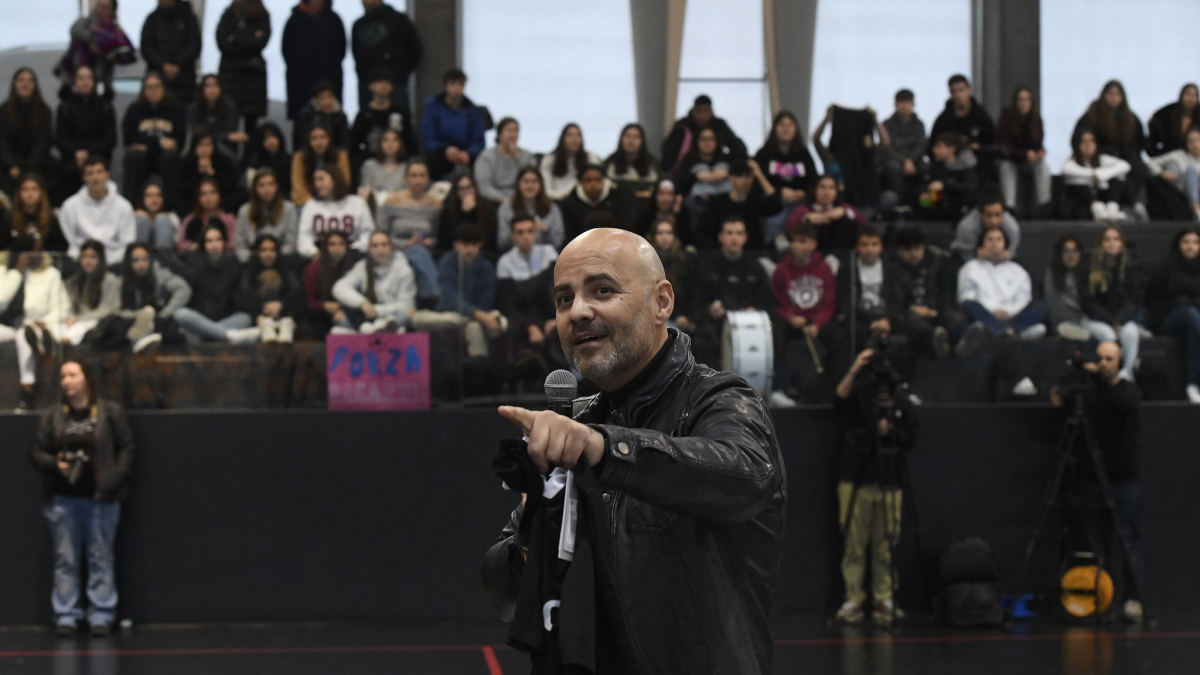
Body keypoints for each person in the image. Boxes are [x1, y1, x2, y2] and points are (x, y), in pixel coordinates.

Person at [482, 227, 784, 674]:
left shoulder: (720, 401)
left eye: (602, 290)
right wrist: (532, 529)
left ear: (662, 302)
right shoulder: (580, 424)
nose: (578, 311)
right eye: (564, 299)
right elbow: (504, 594)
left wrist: (608, 449)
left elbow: (746, 475)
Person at [31, 360, 134, 637]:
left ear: (86, 378)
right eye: (63, 376)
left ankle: (101, 614)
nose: (66, 381)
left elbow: (126, 448)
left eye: (72, 375)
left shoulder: (109, 412)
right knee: (66, 559)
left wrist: (114, 477)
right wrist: (57, 465)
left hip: (101, 498)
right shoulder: (53, 415)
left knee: (100, 556)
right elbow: (37, 452)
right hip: (63, 500)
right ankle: (67, 615)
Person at [1049, 340, 1144, 622]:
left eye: (1110, 359)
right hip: (1094, 480)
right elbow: (1070, 408)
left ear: (1119, 363)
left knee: (1128, 541)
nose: (1104, 363)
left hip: (1124, 480)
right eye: (1100, 358)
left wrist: (1098, 378)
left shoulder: (1127, 390)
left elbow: (1121, 403)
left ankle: (1133, 599)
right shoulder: (1090, 393)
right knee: (1098, 543)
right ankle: (1106, 597)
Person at [833, 347, 917, 626]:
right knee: (854, 544)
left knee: (886, 544)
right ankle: (853, 599)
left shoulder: (899, 397)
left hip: (890, 480)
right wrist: (856, 367)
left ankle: (884, 599)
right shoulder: (860, 390)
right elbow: (839, 399)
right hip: (856, 477)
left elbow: (912, 435)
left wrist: (891, 430)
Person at [690, 216, 774, 367]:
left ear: (745, 237)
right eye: (729, 233)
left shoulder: (755, 267)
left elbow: (767, 299)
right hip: (715, 324)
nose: (734, 238)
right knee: (702, 335)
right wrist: (710, 308)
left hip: (749, 324)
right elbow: (697, 298)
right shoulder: (707, 265)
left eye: (739, 233)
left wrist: (755, 310)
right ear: (721, 237)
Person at [0, 235, 69, 410]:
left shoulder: (51, 273)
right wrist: (17, 272)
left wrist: (44, 322)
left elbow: (61, 305)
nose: (37, 255)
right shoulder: (4, 270)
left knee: (25, 336)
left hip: (39, 324)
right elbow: (1, 302)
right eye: (33, 251)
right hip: (8, 325)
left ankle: (27, 389)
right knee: (23, 333)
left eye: (40, 250)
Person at [771, 220, 835, 406]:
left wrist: (817, 324)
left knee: (839, 337)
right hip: (793, 322)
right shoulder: (782, 270)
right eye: (794, 241)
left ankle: (836, 388)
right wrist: (790, 317)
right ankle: (781, 389)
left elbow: (829, 303)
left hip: (817, 322)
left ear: (813, 244)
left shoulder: (824, 269)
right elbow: (778, 303)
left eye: (802, 241)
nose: (796, 245)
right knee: (778, 333)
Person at [956, 228, 1048, 352]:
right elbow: (965, 296)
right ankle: (1011, 332)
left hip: (1013, 315)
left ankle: (1005, 330)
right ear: (982, 244)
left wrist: (1008, 312)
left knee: (1042, 307)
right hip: (986, 314)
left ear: (1005, 244)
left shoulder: (1017, 269)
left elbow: (1024, 299)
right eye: (990, 239)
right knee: (968, 305)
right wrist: (993, 311)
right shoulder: (970, 268)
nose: (994, 243)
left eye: (999, 239)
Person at [92, 242, 191, 353]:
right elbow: (115, 308)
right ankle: (142, 335)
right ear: (129, 261)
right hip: (129, 318)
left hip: (156, 318)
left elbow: (183, 290)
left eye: (145, 259)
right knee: (112, 330)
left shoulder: (159, 274)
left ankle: (143, 335)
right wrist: (139, 315)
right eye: (136, 260)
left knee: (172, 332)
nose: (141, 264)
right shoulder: (120, 279)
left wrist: (165, 314)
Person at [174, 224, 260, 343]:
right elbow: (190, 298)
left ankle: (211, 334)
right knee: (181, 314)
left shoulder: (234, 264)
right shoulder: (194, 264)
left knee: (245, 318)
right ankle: (228, 336)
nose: (214, 245)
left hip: (225, 319)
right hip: (200, 319)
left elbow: (241, 298)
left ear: (224, 242)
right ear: (203, 245)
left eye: (218, 240)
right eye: (209, 241)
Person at [1072, 81, 1148, 214]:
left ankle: (1130, 204)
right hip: (1100, 155)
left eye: (1118, 94)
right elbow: (1079, 137)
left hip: (1125, 157)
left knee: (1138, 166)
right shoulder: (1093, 114)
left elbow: (1138, 143)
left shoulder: (1130, 117)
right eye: (1110, 94)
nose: (1114, 98)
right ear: (1104, 95)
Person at [376, 159, 443, 304]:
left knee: (420, 253)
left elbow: (438, 236)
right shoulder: (392, 201)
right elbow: (381, 234)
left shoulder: (435, 205)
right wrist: (404, 244)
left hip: (425, 250)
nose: (418, 180)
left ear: (428, 178)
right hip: (395, 249)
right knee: (418, 253)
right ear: (406, 178)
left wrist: (430, 242)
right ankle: (434, 295)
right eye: (413, 176)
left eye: (422, 176)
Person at [1145, 227, 1200, 403]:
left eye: (1195, 242)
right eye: (1186, 242)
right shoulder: (1165, 268)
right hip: (1169, 320)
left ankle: (1192, 384)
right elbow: (1154, 301)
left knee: (1193, 331)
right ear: (1178, 244)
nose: (1190, 246)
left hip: (1195, 325)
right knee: (1189, 314)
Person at [885, 226, 957, 360]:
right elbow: (891, 299)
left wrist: (936, 310)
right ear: (899, 250)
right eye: (907, 249)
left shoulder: (937, 264)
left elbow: (945, 293)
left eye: (917, 248)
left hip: (934, 311)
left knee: (954, 318)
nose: (913, 253)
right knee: (915, 323)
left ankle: (962, 346)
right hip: (905, 316)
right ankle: (935, 339)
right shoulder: (890, 269)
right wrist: (911, 308)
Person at [435, 225, 503, 358]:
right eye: (465, 244)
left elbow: (487, 299)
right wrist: (477, 314)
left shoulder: (486, 267)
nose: (470, 249)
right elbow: (451, 298)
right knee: (418, 319)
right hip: (450, 315)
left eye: (474, 244)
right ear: (456, 245)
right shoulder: (446, 263)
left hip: (475, 318)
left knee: (476, 328)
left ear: (480, 246)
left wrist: (478, 315)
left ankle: (479, 373)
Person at [121, 72, 186, 211]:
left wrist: (146, 143)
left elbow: (179, 141)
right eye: (149, 87)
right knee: (134, 157)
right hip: (141, 158)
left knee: (171, 158)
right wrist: (158, 144)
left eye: (157, 87)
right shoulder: (134, 110)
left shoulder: (176, 109)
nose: (153, 91)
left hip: (166, 158)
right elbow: (128, 140)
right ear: (143, 90)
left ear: (164, 88)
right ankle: (131, 208)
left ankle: (171, 210)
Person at [1085, 226, 1143, 382]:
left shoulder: (1130, 266)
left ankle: (1127, 373)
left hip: (1122, 318)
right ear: (1100, 243)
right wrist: (1111, 321)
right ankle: (1106, 375)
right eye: (1107, 239)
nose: (1112, 243)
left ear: (1122, 243)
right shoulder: (1090, 266)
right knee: (1108, 335)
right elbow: (1088, 302)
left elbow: (1135, 299)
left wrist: (1119, 320)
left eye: (1116, 239)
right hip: (1096, 319)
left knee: (1131, 333)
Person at [331, 229, 416, 333]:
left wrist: (377, 311)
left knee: (407, 314)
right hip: (368, 315)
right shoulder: (363, 266)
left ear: (392, 247)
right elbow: (339, 287)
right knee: (341, 315)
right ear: (369, 249)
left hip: (392, 315)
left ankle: (364, 331)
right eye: (375, 246)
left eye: (384, 245)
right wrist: (362, 303)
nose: (380, 250)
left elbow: (406, 305)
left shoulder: (404, 270)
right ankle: (372, 330)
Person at [755, 111, 818, 244]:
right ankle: (773, 248)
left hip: (800, 200)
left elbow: (813, 180)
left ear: (795, 129)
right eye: (782, 125)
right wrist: (781, 191)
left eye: (790, 125)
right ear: (774, 129)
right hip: (774, 201)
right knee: (775, 218)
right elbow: (758, 182)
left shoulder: (804, 154)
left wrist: (803, 192)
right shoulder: (764, 154)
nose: (786, 129)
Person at [59, 156, 136, 264]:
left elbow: (127, 242)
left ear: (107, 174)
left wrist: (109, 261)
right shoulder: (70, 206)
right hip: (81, 261)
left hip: (116, 261)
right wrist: (87, 259)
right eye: (90, 173)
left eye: (99, 172)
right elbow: (71, 240)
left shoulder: (124, 206)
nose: (95, 177)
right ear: (84, 178)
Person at [56, 66, 117, 201]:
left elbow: (110, 139)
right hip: (72, 157)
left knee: (96, 170)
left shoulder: (106, 107)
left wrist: (89, 153)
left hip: (99, 155)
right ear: (74, 82)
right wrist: (76, 152)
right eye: (81, 78)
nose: (85, 82)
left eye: (89, 78)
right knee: (67, 171)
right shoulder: (65, 107)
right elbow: (61, 138)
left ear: (95, 81)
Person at [351, 0, 422, 113]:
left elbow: (415, 50)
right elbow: (356, 54)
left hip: (396, 86)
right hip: (368, 87)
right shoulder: (359, 24)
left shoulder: (399, 20)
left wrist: (400, 73)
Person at [281, 0, 346, 121]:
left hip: (329, 80)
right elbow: (286, 51)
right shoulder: (295, 21)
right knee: (302, 122)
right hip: (300, 84)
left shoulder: (334, 20)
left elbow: (341, 49)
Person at [698, 159, 781, 251]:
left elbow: (776, 205)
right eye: (740, 176)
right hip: (721, 255)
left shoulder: (755, 201)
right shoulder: (716, 202)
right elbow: (705, 232)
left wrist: (759, 175)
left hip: (752, 253)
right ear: (730, 178)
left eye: (749, 177)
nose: (745, 181)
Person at [57, 0, 137, 97]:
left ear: (112, 10)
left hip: (102, 77)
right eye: (99, 6)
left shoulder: (115, 31)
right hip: (74, 72)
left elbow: (125, 51)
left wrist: (108, 52)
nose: (101, 10)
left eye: (106, 7)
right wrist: (93, 40)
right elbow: (75, 30)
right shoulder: (85, 22)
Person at [216, 0, 272, 137]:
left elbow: (261, 41)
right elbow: (221, 40)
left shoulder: (262, 15)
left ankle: (250, 157)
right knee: (229, 121)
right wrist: (248, 39)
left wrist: (236, 38)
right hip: (231, 75)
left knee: (251, 126)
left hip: (253, 76)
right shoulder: (229, 14)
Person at [421, 68, 486, 180]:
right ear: (445, 86)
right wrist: (445, 149)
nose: (456, 88)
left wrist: (469, 153)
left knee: (480, 160)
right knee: (432, 158)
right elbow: (428, 138)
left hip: (465, 154)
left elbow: (479, 140)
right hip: (441, 154)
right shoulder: (433, 107)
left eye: (460, 84)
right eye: (452, 84)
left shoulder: (472, 110)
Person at [296, 167, 374, 257]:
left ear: (335, 180)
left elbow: (368, 233)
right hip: (319, 256)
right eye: (315, 180)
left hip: (353, 254)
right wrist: (314, 253)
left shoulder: (357, 202)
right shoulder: (311, 205)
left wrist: (352, 250)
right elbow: (304, 237)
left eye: (321, 179)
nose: (317, 184)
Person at [784, 174, 868, 258]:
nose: (827, 192)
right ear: (814, 190)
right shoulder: (803, 210)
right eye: (822, 187)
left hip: (841, 255)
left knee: (845, 221)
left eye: (832, 188)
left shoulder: (844, 207)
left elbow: (864, 225)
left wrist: (845, 212)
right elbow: (789, 230)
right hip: (812, 256)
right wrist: (806, 219)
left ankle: (835, 259)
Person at [237, 234, 302, 342]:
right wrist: (262, 308)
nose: (268, 254)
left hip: (284, 315)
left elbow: (296, 295)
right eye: (263, 250)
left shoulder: (286, 270)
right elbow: (243, 298)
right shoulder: (248, 271)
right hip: (257, 317)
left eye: (272, 250)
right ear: (257, 252)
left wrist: (281, 305)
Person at [0, 69, 55, 196]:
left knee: (55, 167)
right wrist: (11, 165)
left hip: (37, 160)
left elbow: (46, 140)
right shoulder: (3, 110)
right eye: (21, 80)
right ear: (14, 84)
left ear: (35, 85)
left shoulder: (44, 110)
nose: (25, 84)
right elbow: (1, 142)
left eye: (30, 81)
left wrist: (31, 165)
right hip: (10, 160)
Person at [996, 86, 1050, 214]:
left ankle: (1044, 206)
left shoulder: (1035, 119)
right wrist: (1025, 154)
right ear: (1015, 102)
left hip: (1029, 161)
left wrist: (1040, 152)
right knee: (1006, 167)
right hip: (1011, 159)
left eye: (1027, 100)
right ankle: (1010, 207)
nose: (1024, 103)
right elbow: (1004, 145)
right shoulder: (1007, 117)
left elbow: (1038, 142)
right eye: (1020, 100)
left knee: (1043, 165)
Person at [661, 94, 748, 172]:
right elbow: (669, 152)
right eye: (699, 111)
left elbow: (738, 149)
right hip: (688, 166)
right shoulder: (682, 126)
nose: (702, 115)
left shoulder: (719, 125)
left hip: (716, 167)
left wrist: (726, 163)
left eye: (705, 111)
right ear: (693, 111)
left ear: (711, 112)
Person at [351, 69, 417, 171]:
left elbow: (410, 141)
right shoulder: (363, 115)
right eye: (379, 82)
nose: (383, 86)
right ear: (371, 86)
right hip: (371, 160)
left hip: (398, 160)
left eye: (387, 82)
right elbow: (353, 144)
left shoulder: (400, 113)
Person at [1061, 129, 1133, 221]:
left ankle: (1112, 207)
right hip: (1083, 203)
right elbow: (1067, 170)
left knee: (1120, 178)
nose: (1088, 145)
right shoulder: (1071, 162)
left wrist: (1102, 175)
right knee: (1078, 182)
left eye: (1092, 141)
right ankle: (1096, 207)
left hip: (1103, 197)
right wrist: (1094, 176)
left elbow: (1125, 166)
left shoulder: (1103, 159)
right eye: (1084, 141)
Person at [139, 0, 202, 104]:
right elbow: (146, 47)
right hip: (158, 76)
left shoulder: (189, 18)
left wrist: (178, 64)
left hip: (185, 81)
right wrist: (162, 65)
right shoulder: (152, 19)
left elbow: (195, 45)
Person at [61, 240, 122, 348]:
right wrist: (70, 318)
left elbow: (109, 309)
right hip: (75, 320)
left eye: (93, 257)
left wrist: (80, 319)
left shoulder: (110, 280)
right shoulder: (73, 282)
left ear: (101, 259)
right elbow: (67, 305)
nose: (88, 261)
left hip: (99, 322)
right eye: (85, 257)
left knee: (77, 331)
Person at [878, 89, 927, 210]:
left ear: (913, 104)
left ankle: (923, 202)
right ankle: (898, 203)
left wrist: (911, 160)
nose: (904, 106)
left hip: (915, 160)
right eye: (901, 103)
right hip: (895, 161)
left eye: (907, 102)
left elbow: (922, 145)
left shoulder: (918, 124)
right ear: (895, 105)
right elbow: (887, 148)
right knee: (892, 168)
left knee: (927, 167)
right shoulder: (888, 124)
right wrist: (904, 161)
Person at [497, 166, 565, 251]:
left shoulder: (552, 208)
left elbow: (558, 243)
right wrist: (518, 234)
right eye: (525, 181)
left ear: (541, 185)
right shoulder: (506, 208)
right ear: (518, 184)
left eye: (534, 181)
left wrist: (545, 231)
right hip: (514, 256)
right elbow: (502, 243)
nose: (530, 186)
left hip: (545, 256)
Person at [302, 230, 355, 336]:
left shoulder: (354, 267)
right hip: (319, 318)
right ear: (325, 247)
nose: (337, 248)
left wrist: (343, 310)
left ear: (346, 247)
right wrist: (324, 306)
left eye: (341, 244)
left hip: (347, 314)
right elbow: (307, 303)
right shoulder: (313, 269)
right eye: (332, 244)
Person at [236, 168, 299, 259]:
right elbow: (241, 246)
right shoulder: (245, 211)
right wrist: (252, 260)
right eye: (262, 185)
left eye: (271, 184)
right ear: (255, 188)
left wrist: (273, 259)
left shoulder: (289, 209)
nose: (267, 189)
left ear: (277, 186)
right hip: (252, 263)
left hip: (281, 262)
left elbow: (290, 244)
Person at [1044, 236, 1097, 341]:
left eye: (1074, 251)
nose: (1070, 255)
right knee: (1063, 328)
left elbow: (1091, 302)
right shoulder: (1052, 274)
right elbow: (1053, 302)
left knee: (1104, 332)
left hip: (1085, 320)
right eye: (1066, 251)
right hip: (1063, 321)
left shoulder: (1087, 272)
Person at [647, 218, 695, 332]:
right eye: (660, 233)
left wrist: (685, 316)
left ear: (674, 236)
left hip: (682, 315)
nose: (665, 237)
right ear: (653, 236)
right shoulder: (646, 262)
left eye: (669, 233)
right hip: (654, 315)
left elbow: (689, 293)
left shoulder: (684, 261)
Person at [560, 164, 629, 243]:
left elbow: (625, 229)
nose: (593, 184)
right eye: (588, 180)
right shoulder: (570, 203)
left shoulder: (618, 199)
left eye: (598, 180)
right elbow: (568, 234)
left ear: (604, 181)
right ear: (581, 182)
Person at [928, 74, 995, 155]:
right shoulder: (943, 120)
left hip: (978, 162)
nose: (958, 95)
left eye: (961, 90)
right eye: (954, 91)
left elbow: (992, 142)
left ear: (969, 90)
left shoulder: (981, 117)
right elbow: (932, 145)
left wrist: (979, 148)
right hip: (949, 164)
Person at [180, 129, 244, 211]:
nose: (204, 149)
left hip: (222, 202)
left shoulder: (224, 161)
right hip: (194, 204)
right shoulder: (187, 163)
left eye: (207, 145)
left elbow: (231, 186)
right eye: (200, 145)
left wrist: (212, 173)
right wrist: (199, 173)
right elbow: (183, 190)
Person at [674, 127, 731, 220]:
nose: (707, 143)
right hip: (697, 205)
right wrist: (696, 176)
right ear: (697, 141)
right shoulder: (689, 160)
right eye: (703, 139)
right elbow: (681, 185)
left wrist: (722, 175)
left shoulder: (726, 159)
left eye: (711, 139)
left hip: (723, 203)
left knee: (722, 166)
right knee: (700, 168)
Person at [918, 132, 978, 220]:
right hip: (938, 204)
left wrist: (945, 185)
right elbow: (926, 183)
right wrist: (923, 193)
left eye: (939, 147)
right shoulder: (936, 166)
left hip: (957, 206)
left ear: (951, 149)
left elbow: (971, 187)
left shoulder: (966, 167)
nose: (935, 150)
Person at [437, 170, 498, 253]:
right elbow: (446, 241)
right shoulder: (448, 211)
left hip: (482, 253)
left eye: (469, 187)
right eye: (461, 189)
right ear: (456, 192)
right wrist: (464, 214)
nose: (466, 192)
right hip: (454, 253)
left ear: (475, 188)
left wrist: (471, 212)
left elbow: (490, 240)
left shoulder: (488, 209)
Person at [291, 123, 351, 206]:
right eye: (314, 138)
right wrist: (313, 205)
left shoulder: (340, 155)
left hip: (335, 201)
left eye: (323, 137)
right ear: (308, 140)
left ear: (329, 138)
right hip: (307, 203)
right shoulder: (300, 157)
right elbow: (298, 186)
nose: (319, 142)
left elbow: (344, 182)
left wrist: (332, 200)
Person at [1146, 127, 1200, 220]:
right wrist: (1161, 172)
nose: (1195, 144)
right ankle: (1196, 210)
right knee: (1191, 171)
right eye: (1190, 141)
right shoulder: (1178, 156)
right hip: (1181, 192)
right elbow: (1151, 163)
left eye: (1197, 140)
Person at [186, 75, 247, 158]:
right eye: (208, 85)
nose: (212, 89)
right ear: (201, 89)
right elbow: (195, 133)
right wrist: (225, 136)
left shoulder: (230, 107)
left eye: (216, 85)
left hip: (224, 147)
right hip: (198, 147)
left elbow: (231, 132)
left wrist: (224, 136)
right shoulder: (193, 109)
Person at [474, 118, 533, 203]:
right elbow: (484, 187)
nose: (513, 135)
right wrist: (502, 199)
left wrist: (517, 156)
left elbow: (532, 179)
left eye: (516, 131)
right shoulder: (486, 157)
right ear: (499, 134)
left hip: (522, 200)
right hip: (494, 201)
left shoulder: (527, 156)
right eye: (509, 130)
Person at [949, 193, 1020, 262]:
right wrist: (976, 254)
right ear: (980, 214)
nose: (993, 221)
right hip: (966, 257)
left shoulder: (1012, 228)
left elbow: (1012, 251)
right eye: (989, 215)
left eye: (998, 215)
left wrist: (1007, 255)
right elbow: (965, 254)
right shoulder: (967, 227)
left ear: (1004, 213)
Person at [7, 174, 68, 254]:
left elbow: (61, 247)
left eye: (34, 189)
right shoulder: (9, 218)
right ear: (19, 193)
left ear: (41, 193)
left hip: (45, 263)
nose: (29, 193)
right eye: (25, 189)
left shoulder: (51, 219)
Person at [540, 123, 601, 200]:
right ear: (562, 138)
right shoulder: (549, 160)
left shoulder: (591, 158)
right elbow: (546, 190)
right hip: (556, 200)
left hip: (583, 201)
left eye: (578, 135)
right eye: (570, 135)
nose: (574, 139)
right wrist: (564, 195)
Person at [177, 178, 237, 253]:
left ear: (219, 195)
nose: (208, 197)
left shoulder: (228, 219)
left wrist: (218, 245)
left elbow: (234, 243)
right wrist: (193, 246)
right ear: (198, 198)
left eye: (212, 192)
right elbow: (180, 243)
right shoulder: (191, 219)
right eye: (203, 194)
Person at [603, 122, 661, 197]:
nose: (631, 140)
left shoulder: (652, 164)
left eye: (636, 137)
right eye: (627, 136)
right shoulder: (610, 163)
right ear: (621, 139)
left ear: (642, 141)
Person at [633, 178, 693, 248]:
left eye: (670, 194)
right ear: (655, 196)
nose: (665, 198)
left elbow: (686, 240)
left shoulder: (682, 214)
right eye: (661, 193)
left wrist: (678, 213)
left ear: (675, 196)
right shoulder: (647, 213)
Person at [292, 81, 350, 152]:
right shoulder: (305, 115)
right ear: (315, 100)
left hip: (335, 156)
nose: (327, 101)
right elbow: (299, 142)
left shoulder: (340, 116)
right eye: (322, 98)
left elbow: (344, 142)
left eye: (330, 97)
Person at [1147, 84, 1200, 157]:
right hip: (1170, 154)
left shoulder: (1197, 115)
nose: (1191, 98)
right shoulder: (1166, 114)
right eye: (1188, 94)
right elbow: (1152, 141)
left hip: (1195, 156)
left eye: (1195, 95)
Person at [245, 122, 292, 198]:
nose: (271, 141)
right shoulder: (254, 165)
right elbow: (251, 191)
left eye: (274, 136)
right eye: (266, 138)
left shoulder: (290, 161)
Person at [358, 128, 408, 198]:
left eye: (395, 140)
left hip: (400, 206)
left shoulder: (406, 168)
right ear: (380, 143)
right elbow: (365, 192)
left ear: (400, 144)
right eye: (386, 140)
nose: (390, 144)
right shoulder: (370, 166)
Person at [133, 180, 180, 251]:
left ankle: (161, 260)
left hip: (166, 256)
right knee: (141, 221)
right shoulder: (135, 215)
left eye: (158, 195)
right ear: (142, 198)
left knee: (162, 221)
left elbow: (178, 241)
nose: (154, 200)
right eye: (149, 196)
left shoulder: (171, 217)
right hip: (140, 256)